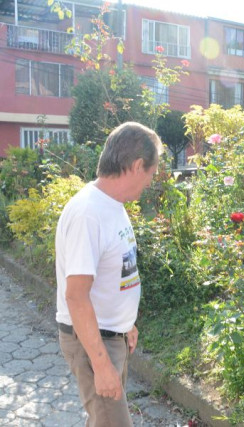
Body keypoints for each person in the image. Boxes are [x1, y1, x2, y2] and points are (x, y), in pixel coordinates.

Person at [55, 122, 163, 426]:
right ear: (137, 166)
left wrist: (126, 322)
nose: (149, 183)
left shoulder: (112, 205)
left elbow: (118, 268)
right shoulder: (89, 213)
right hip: (94, 343)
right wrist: (101, 365)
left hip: (112, 336)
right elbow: (76, 295)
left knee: (102, 420)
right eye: (151, 174)